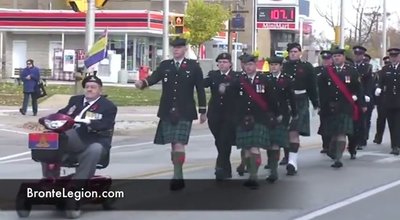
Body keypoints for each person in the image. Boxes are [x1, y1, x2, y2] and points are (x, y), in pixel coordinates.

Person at [135, 37, 207, 190]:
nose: (176, 50)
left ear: (185, 49)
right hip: (167, 109)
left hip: (185, 110)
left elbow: (200, 89)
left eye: (179, 47)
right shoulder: (165, 65)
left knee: (179, 143)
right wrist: (142, 83)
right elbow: (154, 78)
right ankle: (177, 172)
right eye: (174, 47)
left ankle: (178, 176)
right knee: (174, 144)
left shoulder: (193, 66)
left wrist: (203, 110)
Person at [41, 75, 118, 182]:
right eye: (87, 87)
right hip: (71, 139)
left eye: (93, 87)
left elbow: (106, 124)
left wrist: (88, 122)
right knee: (47, 139)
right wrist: (47, 119)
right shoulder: (75, 100)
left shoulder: (107, 106)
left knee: (94, 149)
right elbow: (62, 113)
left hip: (92, 139)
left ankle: (78, 184)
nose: (89, 89)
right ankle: (50, 178)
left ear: (100, 90)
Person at [220, 54, 279, 189]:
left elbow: (272, 99)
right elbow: (231, 99)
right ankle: (250, 169)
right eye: (246, 65)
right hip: (242, 119)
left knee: (254, 147)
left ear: (255, 65)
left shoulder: (264, 80)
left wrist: (275, 115)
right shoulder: (238, 81)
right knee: (246, 149)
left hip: (259, 118)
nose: (248, 67)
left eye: (251, 64)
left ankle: (253, 176)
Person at [318, 48, 365, 168]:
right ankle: (332, 151)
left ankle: (338, 158)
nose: (336, 58)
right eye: (334, 56)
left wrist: (362, 104)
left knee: (342, 133)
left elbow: (359, 89)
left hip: (345, 106)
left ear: (343, 57)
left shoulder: (352, 71)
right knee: (333, 133)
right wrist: (320, 106)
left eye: (339, 56)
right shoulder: (326, 72)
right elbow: (321, 91)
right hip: (330, 107)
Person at [281, 43, 319, 176]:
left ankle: (292, 162)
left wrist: (316, 104)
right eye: (291, 51)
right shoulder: (283, 66)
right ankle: (286, 156)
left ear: (300, 52)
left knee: (294, 131)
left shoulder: (307, 67)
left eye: (295, 51)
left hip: (301, 100)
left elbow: (312, 86)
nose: (293, 54)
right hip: (284, 102)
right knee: (285, 131)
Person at [203, 53, 239, 180]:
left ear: (230, 63)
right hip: (215, 114)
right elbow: (203, 84)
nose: (222, 64)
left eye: (225, 61)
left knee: (224, 139)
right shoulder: (213, 75)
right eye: (220, 62)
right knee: (220, 141)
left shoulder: (236, 76)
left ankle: (220, 167)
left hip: (229, 115)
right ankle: (226, 167)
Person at [264, 56, 297, 182]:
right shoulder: (264, 79)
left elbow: (292, 98)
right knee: (270, 142)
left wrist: (294, 113)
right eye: (271, 65)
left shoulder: (287, 80)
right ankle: (272, 167)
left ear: (281, 67)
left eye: (276, 65)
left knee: (276, 142)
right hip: (268, 114)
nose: (273, 67)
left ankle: (274, 171)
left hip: (283, 114)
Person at [375, 48, 400, 155]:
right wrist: (379, 88)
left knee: (398, 124)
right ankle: (394, 145)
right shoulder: (385, 69)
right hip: (389, 101)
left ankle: (397, 145)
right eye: (392, 56)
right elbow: (381, 81)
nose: (393, 58)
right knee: (391, 124)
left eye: (395, 56)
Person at [352, 46, 374, 150]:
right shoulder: (350, 66)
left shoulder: (367, 67)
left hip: (362, 96)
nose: (357, 56)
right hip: (352, 96)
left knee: (362, 120)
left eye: (360, 54)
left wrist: (367, 95)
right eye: (356, 54)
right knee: (353, 120)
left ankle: (361, 140)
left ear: (363, 55)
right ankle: (353, 141)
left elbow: (369, 83)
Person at [315, 50, 333, 154]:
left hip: (333, 101)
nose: (326, 61)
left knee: (332, 123)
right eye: (324, 59)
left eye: (328, 59)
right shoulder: (317, 70)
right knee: (323, 123)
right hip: (322, 100)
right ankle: (325, 145)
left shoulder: (334, 70)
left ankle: (332, 145)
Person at [373, 56, 390, 144]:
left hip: (392, 99)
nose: (387, 64)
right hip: (382, 100)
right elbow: (375, 85)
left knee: (394, 121)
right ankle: (378, 137)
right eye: (386, 63)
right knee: (380, 120)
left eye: (388, 63)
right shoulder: (379, 73)